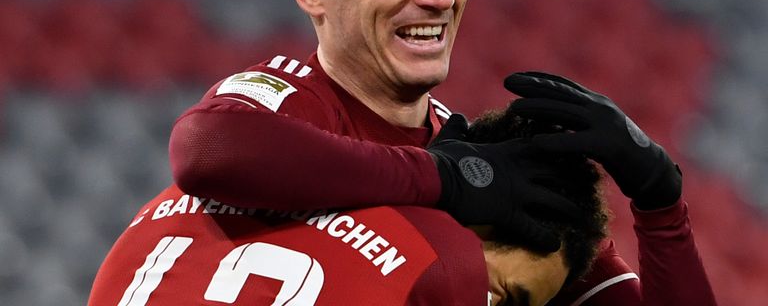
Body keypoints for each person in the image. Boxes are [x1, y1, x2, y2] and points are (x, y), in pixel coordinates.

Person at [168, 0, 717, 304]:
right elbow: (206, 150)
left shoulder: (494, 175)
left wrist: (660, 201)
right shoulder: (293, 104)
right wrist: (445, 180)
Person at [89, 108, 609, 306]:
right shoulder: (438, 265)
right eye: (506, 297)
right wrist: (660, 206)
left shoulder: (184, 205)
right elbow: (205, 143)